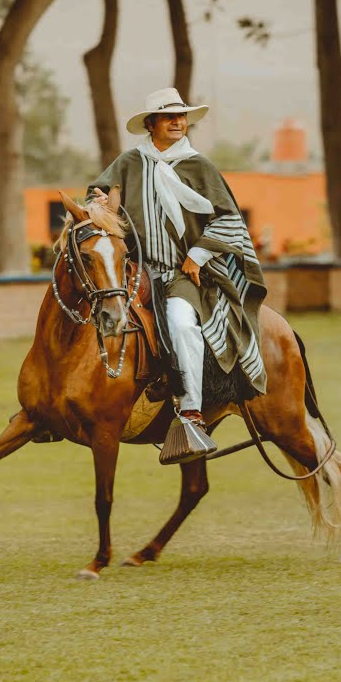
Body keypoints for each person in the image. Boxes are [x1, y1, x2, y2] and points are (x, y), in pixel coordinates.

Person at [86, 88, 268, 463]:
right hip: (135, 272)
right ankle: (55, 405)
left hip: (181, 273)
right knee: (95, 314)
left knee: (183, 324)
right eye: (169, 117)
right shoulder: (129, 162)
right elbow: (97, 193)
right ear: (150, 124)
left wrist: (198, 256)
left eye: (182, 116)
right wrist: (98, 202)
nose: (178, 122)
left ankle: (190, 413)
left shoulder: (199, 166)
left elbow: (229, 218)